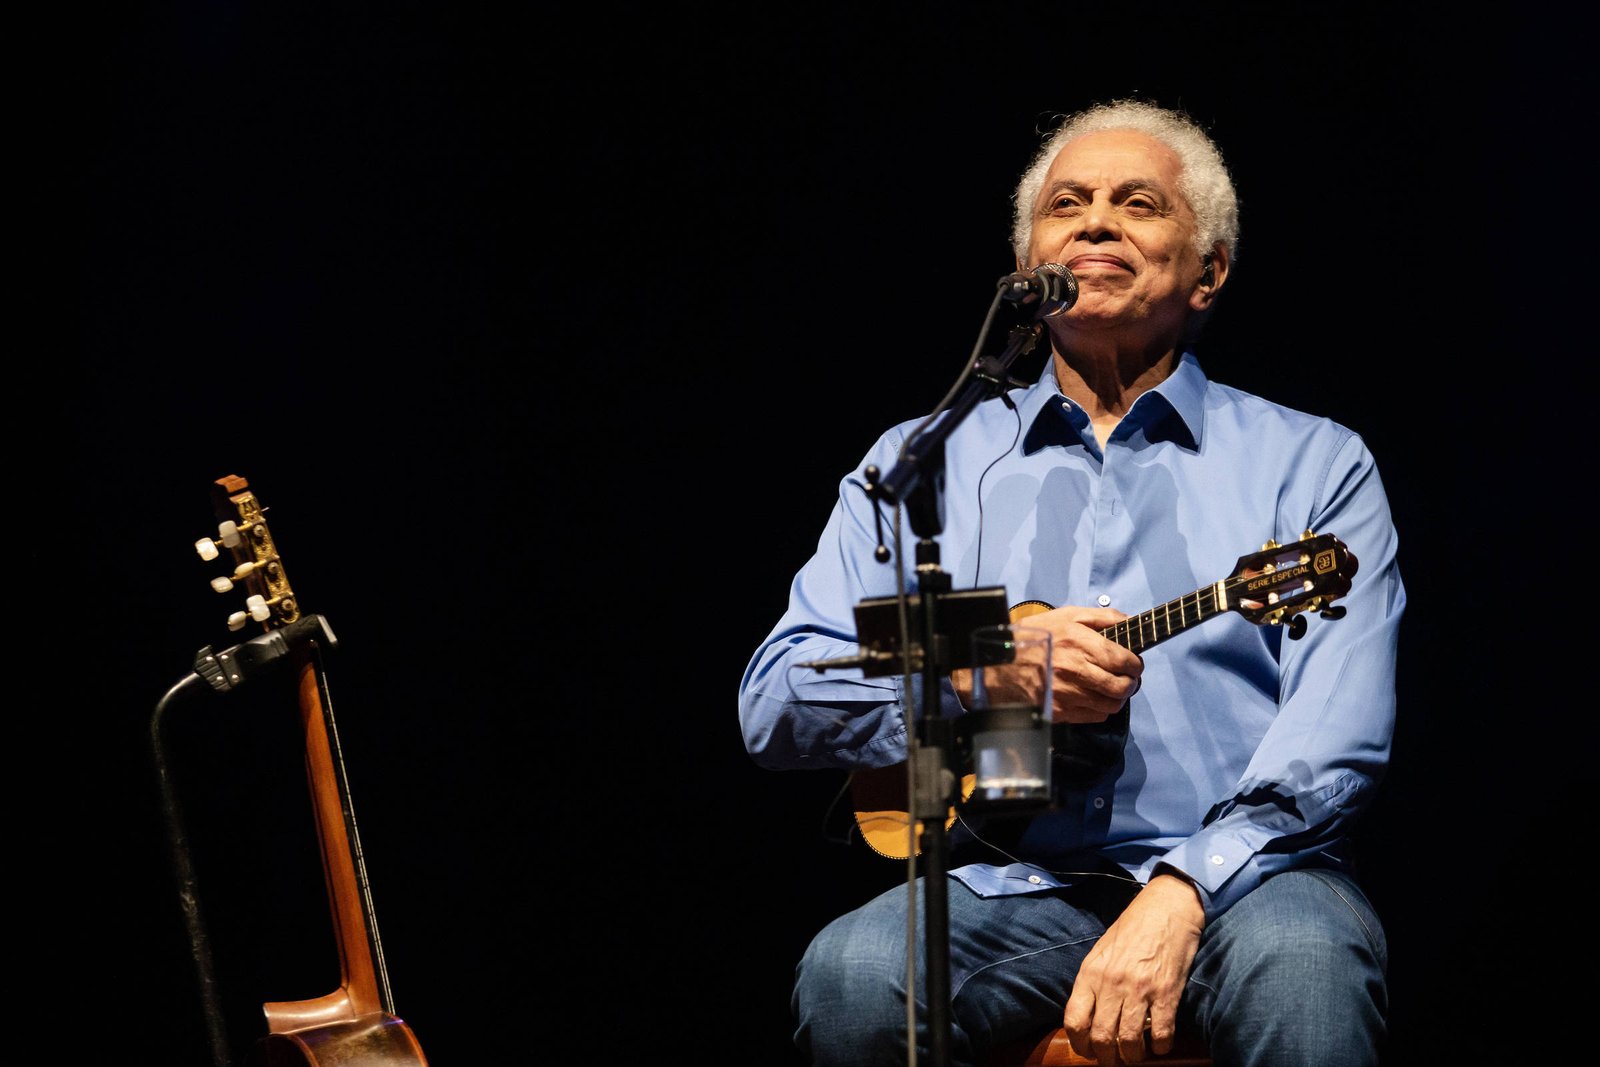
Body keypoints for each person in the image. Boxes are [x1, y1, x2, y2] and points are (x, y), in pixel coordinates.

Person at [737, 99, 1402, 1067]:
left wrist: (1181, 890)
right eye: (1067, 204)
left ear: (1208, 270)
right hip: (1007, 882)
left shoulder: (1309, 463)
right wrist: (985, 671)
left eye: (1137, 203)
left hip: (1246, 882)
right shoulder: (925, 461)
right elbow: (778, 696)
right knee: (852, 972)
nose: (1095, 222)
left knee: (1302, 957)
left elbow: (1335, 735)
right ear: (1025, 269)